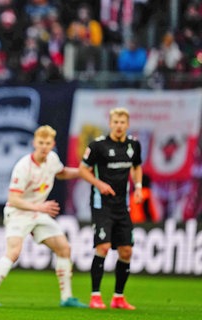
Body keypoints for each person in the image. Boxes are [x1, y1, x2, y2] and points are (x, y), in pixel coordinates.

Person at [0, 125, 87, 308]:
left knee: (64, 248)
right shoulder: (23, 166)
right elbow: (13, 198)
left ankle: (67, 297)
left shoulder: (52, 159)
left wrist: (81, 172)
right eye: (40, 143)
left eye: (47, 143)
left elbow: (61, 173)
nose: (44, 146)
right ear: (34, 143)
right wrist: (40, 207)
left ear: (52, 144)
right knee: (13, 252)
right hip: (18, 213)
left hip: (38, 212)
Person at [78, 107, 142, 310]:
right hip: (102, 204)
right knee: (103, 247)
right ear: (110, 123)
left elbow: (137, 166)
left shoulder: (134, 145)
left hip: (122, 206)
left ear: (127, 124)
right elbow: (82, 169)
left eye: (123, 122)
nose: (119, 125)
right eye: (116, 122)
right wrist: (99, 184)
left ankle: (118, 297)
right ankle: (95, 296)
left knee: (126, 251)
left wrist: (138, 187)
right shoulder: (98, 146)